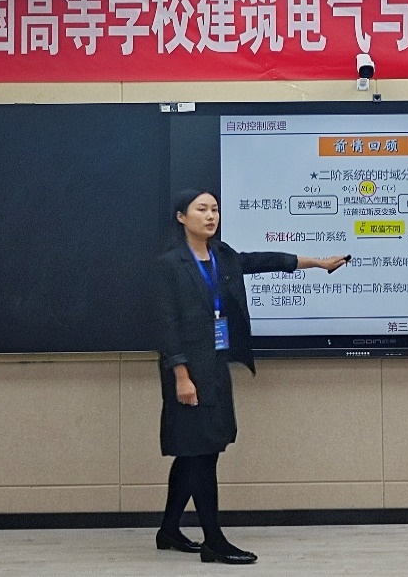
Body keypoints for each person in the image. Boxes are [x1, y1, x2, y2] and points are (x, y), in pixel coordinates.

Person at [152, 188, 349, 565]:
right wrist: (181, 375)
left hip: (215, 365)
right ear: (181, 217)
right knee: (200, 454)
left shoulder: (222, 256)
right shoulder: (169, 264)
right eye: (201, 209)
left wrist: (318, 263)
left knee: (197, 450)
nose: (210, 216)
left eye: (215, 209)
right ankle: (214, 542)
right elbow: (166, 325)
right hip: (188, 371)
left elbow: (264, 260)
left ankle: (169, 530)